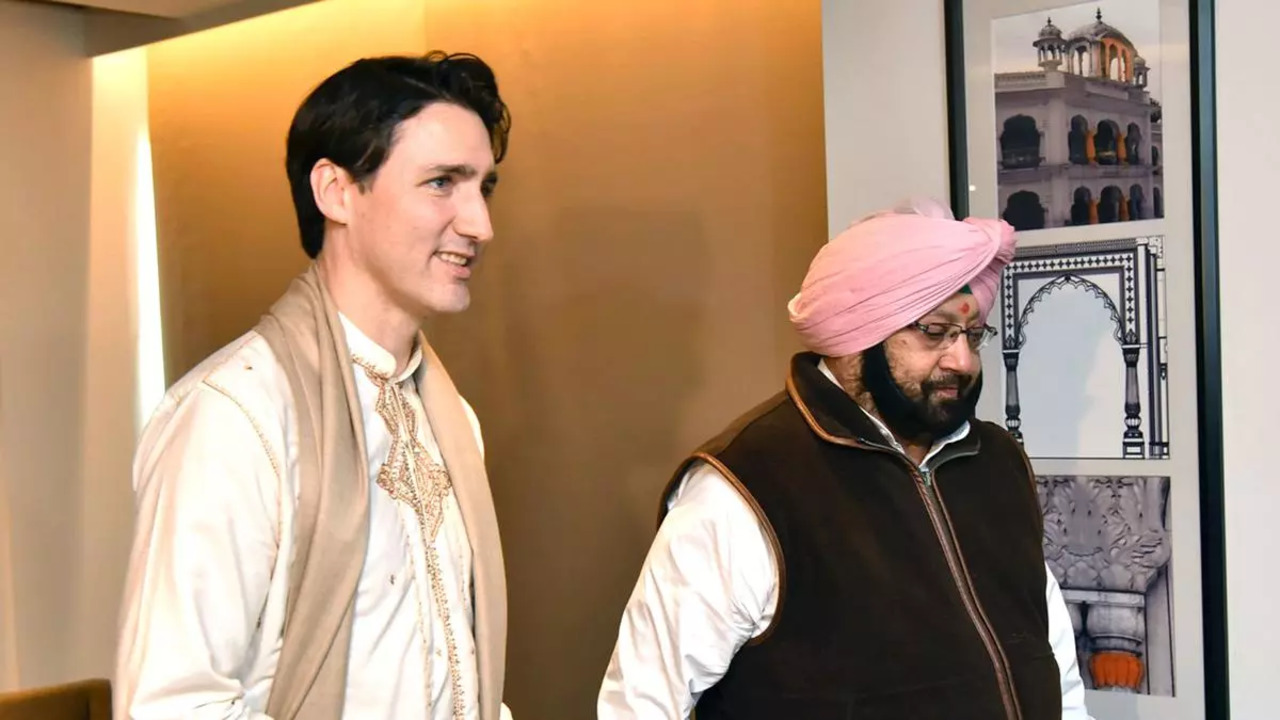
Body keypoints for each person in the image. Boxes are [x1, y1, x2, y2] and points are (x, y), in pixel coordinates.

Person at [114, 52, 514, 720]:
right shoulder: (236, 416)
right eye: (443, 183)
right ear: (335, 191)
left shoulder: (450, 419)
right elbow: (170, 706)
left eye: (485, 188)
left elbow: (456, 680)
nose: (480, 224)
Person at [597, 199, 1092, 719]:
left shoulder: (995, 462)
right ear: (858, 336)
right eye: (934, 332)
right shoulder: (748, 485)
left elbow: (1053, 665)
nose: (962, 360)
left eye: (972, 334)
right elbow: (641, 702)